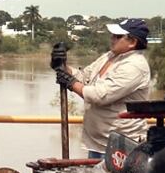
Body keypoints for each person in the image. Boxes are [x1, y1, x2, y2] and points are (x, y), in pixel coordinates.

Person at [54, 18, 152, 158]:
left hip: (122, 145)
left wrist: (70, 82)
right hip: (97, 143)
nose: (112, 39)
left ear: (132, 42)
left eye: (118, 36)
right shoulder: (110, 56)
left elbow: (99, 96)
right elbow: (84, 77)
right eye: (113, 35)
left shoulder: (134, 65)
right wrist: (63, 67)